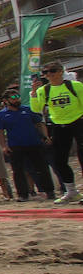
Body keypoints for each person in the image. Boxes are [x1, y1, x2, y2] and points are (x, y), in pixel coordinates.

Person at [30, 62, 83, 203]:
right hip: (59, 125)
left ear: (60, 71)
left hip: (78, 122)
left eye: (52, 71)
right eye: (45, 72)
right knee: (59, 161)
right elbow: (36, 109)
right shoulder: (44, 90)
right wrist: (34, 94)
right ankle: (71, 191)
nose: (49, 75)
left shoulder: (75, 86)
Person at [0, 87, 54, 201]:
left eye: (17, 96)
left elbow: (39, 123)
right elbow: (0, 131)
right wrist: (4, 146)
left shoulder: (27, 109)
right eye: (13, 97)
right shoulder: (2, 115)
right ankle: (23, 194)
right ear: (6, 100)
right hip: (15, 146)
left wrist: (45, 136)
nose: (16, 99)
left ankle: (49, 191)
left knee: (42, 168)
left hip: (34, 143)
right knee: (18, 171)